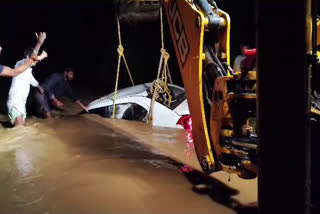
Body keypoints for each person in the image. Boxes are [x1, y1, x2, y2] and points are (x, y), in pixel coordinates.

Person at [6, 32, 48, 126]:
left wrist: (40, 87)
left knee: (20, 131)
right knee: (20, 131)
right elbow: (32, 58)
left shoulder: (28, 70)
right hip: (15, 101)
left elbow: (33, 81)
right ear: (27, 57)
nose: (38, 59)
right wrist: (39, 43)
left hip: (21, 103)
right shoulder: (21, 63)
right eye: (36, 57)